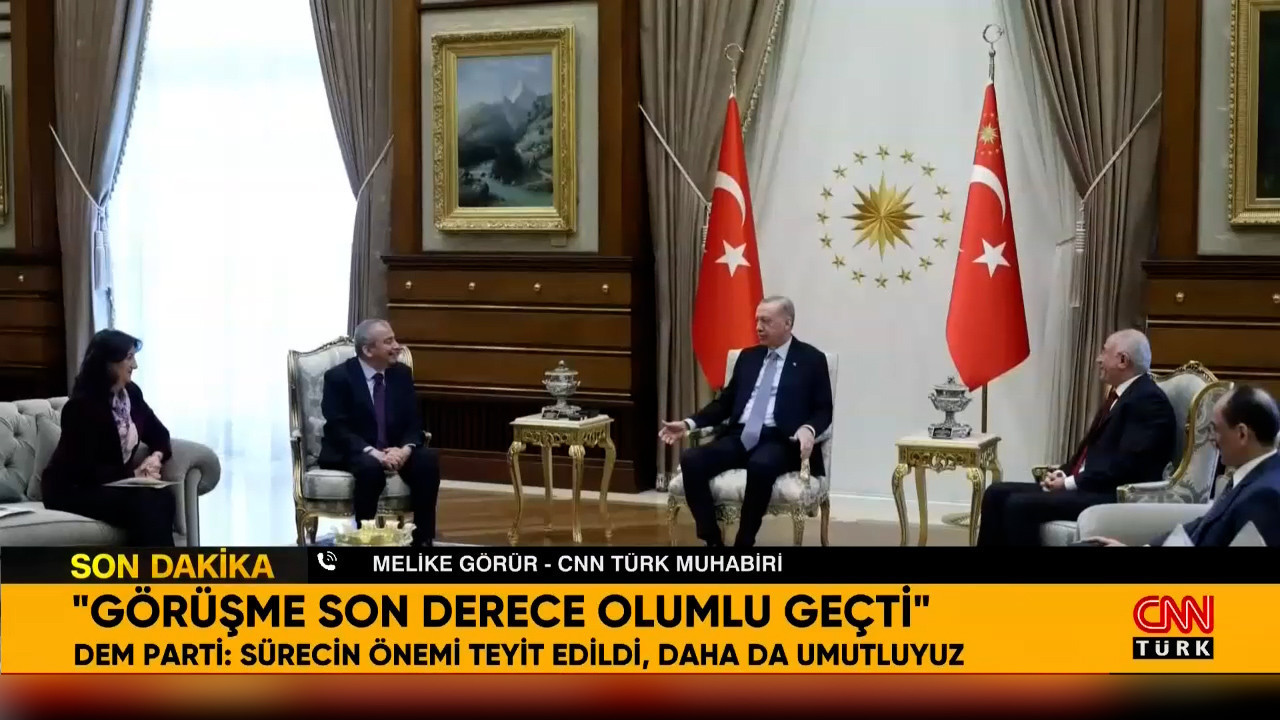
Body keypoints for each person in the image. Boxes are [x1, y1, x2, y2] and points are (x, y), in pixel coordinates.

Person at [976, 329, 1177, 546]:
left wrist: (1069, 483)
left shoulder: (1148, 401)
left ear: (1122, 360)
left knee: (1018, 505)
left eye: (1104, 352)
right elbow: (1092, 451)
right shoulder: (1122, 395)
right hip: (1090, 485)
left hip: (1111, 494)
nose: (1099, 359)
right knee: (995, 493)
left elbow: (1126, 466)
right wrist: (1063, 472)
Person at [659, 296, 833, 547]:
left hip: (780, 439)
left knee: (761, 464)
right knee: (691, 459)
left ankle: (744, 540)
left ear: (787, 323)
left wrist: (808, 428)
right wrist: (688, 424)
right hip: (740, 435)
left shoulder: (811, 359)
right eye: (757, 321)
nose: (758, 327)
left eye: (766, 321)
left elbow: (823, 409)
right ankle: (712, 539)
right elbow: (724, 404)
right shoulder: (748, 357)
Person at [1082, 386, 1280, 547]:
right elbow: (1201, 527)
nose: (1212, 439)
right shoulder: (1252, 476)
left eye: (1216, 430)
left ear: (1242, 434)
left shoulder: (1265, 497)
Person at [41, 330, 177, 546]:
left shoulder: (132, 395)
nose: (135, 366)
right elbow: (85, 470)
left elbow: (159, 433)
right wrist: (134, 474)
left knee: (164, 497)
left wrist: (156, 457)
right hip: (71, 490)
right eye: (129, 358)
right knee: (145, 503)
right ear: (108, 363)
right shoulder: (80, 407)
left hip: (112, 484)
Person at [319, 319, 439, 546]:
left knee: (427, 460)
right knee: (370, 469)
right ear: (368, 350)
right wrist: (373, 453)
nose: (397, 346)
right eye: (388, 341)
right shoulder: (338, 378)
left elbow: (414, 421)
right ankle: (364, 538)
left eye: (394, 339)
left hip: (394, 449)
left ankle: (423, 540)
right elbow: (337, 427)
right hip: (355, 450)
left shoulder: (401, 374)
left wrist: (404, 450)